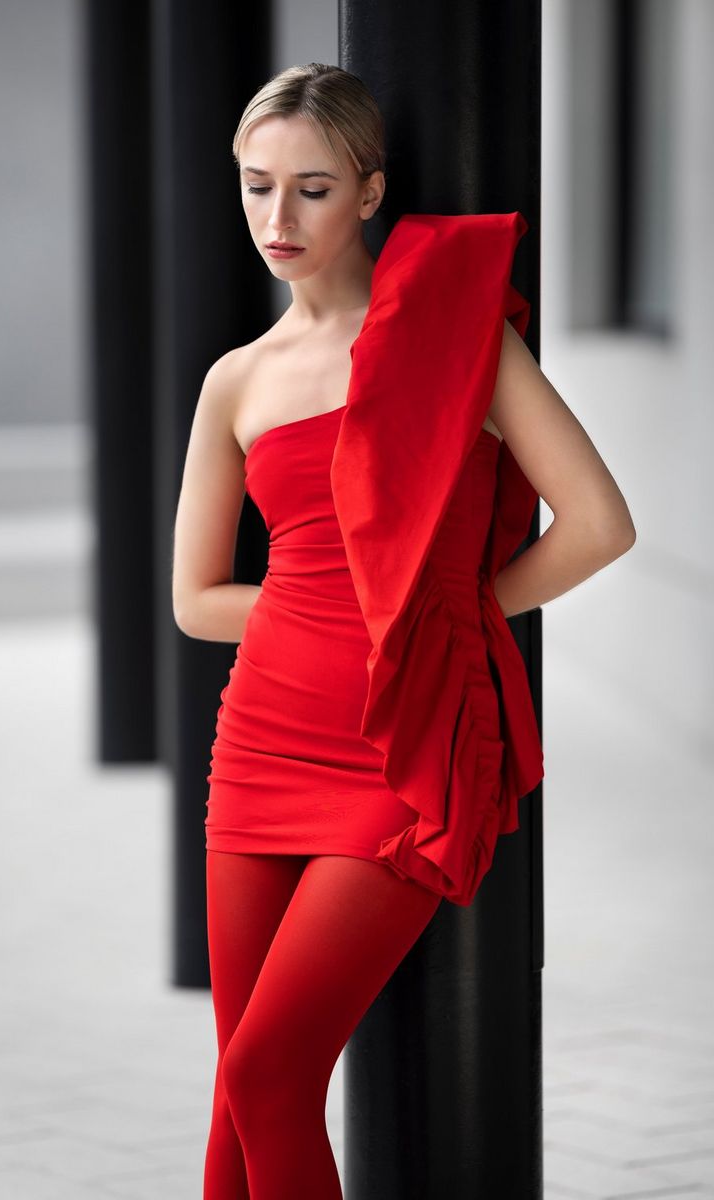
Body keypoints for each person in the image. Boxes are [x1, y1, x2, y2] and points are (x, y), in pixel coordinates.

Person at [172, 62, 636, 1200]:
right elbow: (195, 600)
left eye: (313, 190)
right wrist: (321, 615)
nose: (277, 220)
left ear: (371, 192)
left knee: (273, 1076)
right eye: (256, 187)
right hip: (261, 748)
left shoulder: (454, 342)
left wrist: (448, 614)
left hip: (396, 757)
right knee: (240, 1085)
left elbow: (598, 525)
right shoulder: (236, 380)